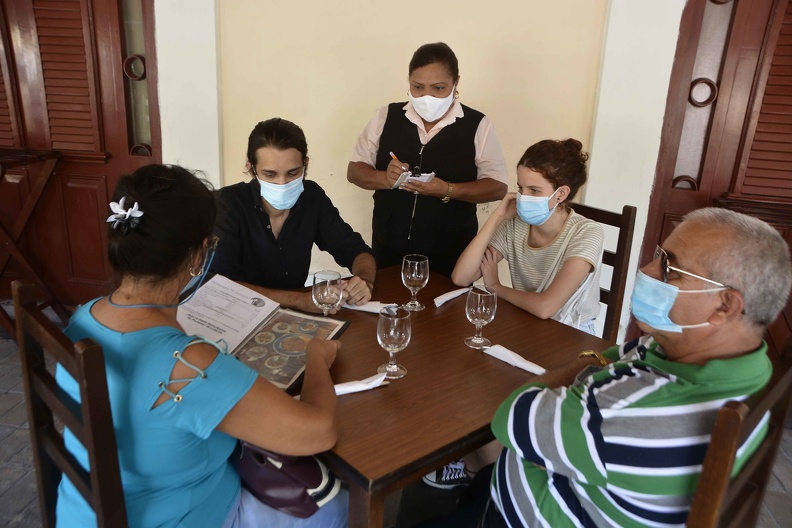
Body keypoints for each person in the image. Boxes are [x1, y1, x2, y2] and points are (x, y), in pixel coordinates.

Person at [424, 207, 792, 527]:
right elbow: (619, 353)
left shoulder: (638, 415)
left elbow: (512, 415)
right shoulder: (749, 362)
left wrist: (567, 405)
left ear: (725, 306)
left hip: (518, 515)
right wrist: (574, 416)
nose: (647, 269)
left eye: (671, 267)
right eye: (658, 255)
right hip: (571, 485)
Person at [56, 165, 348, 527]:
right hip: (183, 516)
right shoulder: (189, 366)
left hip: (83, 511)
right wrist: (316, 356)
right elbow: (320, 431)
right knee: (333, 505)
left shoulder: (84, 317)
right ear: (196, 256)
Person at [347, 42, 508, 277]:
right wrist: (385, 177)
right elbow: (354, 171)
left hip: (451, 254)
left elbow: (497, 187)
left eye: (439, 88)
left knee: (445, 313)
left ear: (456, 83)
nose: (426, 97)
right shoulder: (386, 116)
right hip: (388, 247)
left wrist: (448, 190)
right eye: (418, 87)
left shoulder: (478, 125)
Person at [212, 118, 376, 313]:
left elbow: (353, 248)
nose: (282, 183)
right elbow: (218, 285)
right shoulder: (226, 204)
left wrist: (365, 281)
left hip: (294, 320)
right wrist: (299, 300)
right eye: (270, 175)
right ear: (251, 169)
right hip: (236, 315)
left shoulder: (311, 196)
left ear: (305, 164)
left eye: (292, 173)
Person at [451, 139, 604, 335]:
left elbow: (546, 307)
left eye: (534, 190)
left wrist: (496, 287)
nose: (523, 197)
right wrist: (496, 217)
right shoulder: (516, 224)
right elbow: (461, 277)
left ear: (561, 194)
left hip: (572, 331)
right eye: (520, 188)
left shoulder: (586, 232)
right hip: (527, 321)